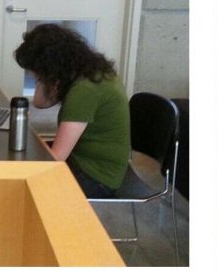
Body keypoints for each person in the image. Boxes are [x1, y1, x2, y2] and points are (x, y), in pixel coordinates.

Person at [13, 24, 130, 198]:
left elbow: (57, 158)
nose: (32, 75)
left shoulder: (86, 89)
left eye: (35, 71)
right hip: (87, 161)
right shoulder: (91, 70)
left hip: (97, 177)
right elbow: (40, 103)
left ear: (49, 66)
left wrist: (45, 77)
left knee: (21, 186)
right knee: (26, 153)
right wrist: (44, 79)